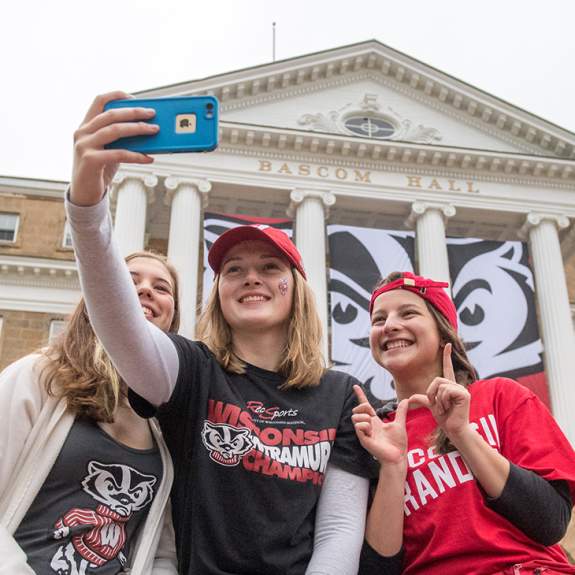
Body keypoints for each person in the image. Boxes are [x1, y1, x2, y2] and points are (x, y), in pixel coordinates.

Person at [64, 91, 377, 575]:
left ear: (294, 289)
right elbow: (119, 325)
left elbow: (338, 529)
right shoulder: (190, 371)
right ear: (219, 294)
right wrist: (88, 209)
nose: (251, 276)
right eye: (233, 269)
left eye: (269, 266)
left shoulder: (341, 395)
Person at [353, 271, 575, 575]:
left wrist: (461, 433)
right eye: (379, 320)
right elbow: (378, 570)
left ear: (444, 332)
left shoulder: (501, 396)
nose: (390, 325)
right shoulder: (375, 435)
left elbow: (551, 522)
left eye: (408, 313)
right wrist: (392, 467)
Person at [0, 251, 179, 575]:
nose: (146, 289)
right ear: (99, 294)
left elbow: (162, 551)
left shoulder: (165, 422)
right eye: (129, 279)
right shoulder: (38, 377)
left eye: (162, 287)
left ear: (172, 317)